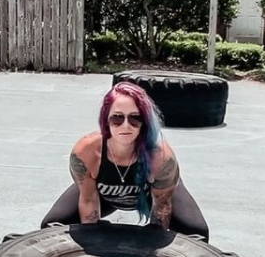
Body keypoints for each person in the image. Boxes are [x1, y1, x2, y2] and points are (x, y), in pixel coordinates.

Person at [40, 81, 209, 241]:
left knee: (197, 233)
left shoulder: (161, 157)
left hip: (155, 195)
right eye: (117, 118)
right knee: (51, 226)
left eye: (135, 118)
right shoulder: (87, 152)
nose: (126, 126)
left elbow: (162, 207)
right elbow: (88, 200)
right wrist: (92, 244)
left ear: (145, 122)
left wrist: (152, 247)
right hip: (100, 195)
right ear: (106, 120)